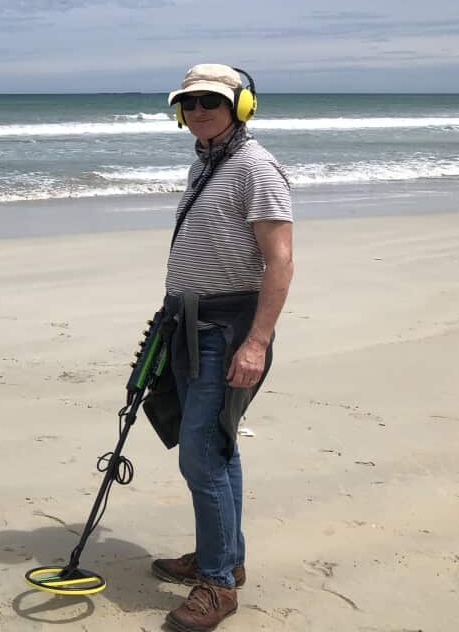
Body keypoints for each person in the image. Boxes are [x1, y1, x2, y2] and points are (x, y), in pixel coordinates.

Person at [148, 64, 294, 632]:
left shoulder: (255, 167)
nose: (198, 111)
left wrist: (255, 342)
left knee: (200, 453)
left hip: (227, 329)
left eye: (211, 100)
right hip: (188, 323)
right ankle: (225, 561)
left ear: (243, 105)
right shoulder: (208, 160)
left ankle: (216, 584)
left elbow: (280, 261)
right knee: (218, 447)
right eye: (188, 103)